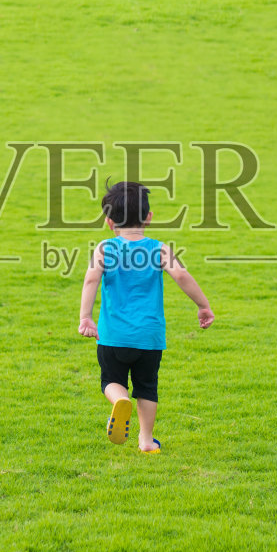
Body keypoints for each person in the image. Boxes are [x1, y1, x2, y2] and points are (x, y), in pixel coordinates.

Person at [77, 181, 214, 453]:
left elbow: (91, 280)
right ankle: (146, 441)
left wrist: (85, 317)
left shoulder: (105, 248)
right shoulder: (159, 249)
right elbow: (181, 276)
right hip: (149, 338)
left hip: (113, 335)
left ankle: (119, 400)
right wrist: (203, 305)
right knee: (147, 387)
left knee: (111, 380)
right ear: (149, 217)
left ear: (109, 221)